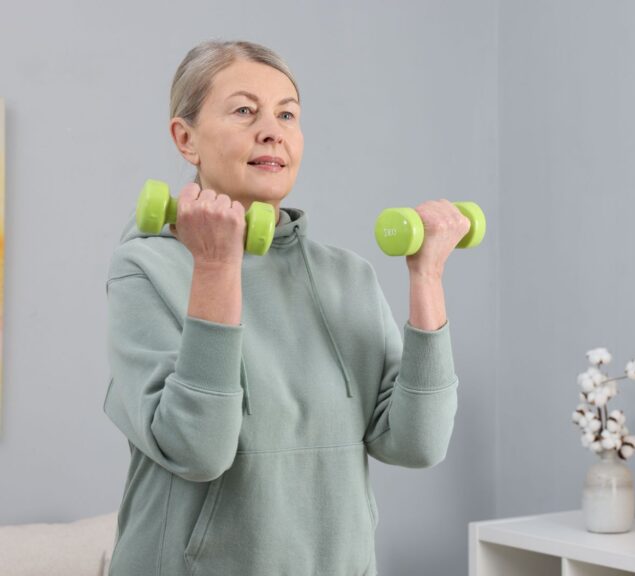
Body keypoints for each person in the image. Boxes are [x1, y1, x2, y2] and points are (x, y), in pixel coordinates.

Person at [103, 40, 467, 576]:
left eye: (287, 114)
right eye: (245, 110)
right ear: (186, 139)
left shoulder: (349, 276)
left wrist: (427, 275)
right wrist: (216, 266)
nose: (272, 130)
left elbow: (418, 443)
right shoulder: (144, 269)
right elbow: (198, 449)